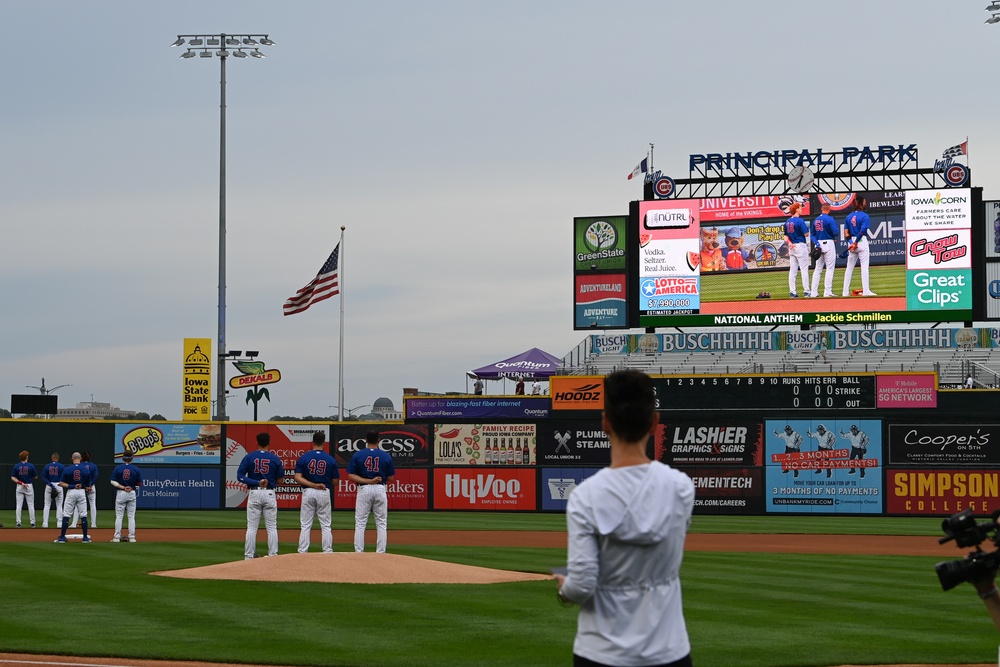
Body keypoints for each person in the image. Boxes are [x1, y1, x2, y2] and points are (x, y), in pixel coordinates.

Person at [553, 369, 694, 667]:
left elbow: (581, 586)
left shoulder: (585, 496)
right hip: (668, 650)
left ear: (605, 422)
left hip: (601, 651)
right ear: (654, 423)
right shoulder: (681, 487)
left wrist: (563, 589)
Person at [237, 432, 283, 560]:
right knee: (272, 527)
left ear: (257, 442)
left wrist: (256, 482)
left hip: (254, 492)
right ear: (269, 442)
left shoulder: (249, 457)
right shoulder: (275, 459)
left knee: (251, 528)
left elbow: (240, 477)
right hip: (269, 493)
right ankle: (273, 555)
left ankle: (249, 556)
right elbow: (280, 480)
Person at [348, 430, 396, 553]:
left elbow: (351, 476)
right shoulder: (385, 456)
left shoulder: (358, 455)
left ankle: (359, 552)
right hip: (380, 488)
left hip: (364, 488)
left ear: (366, 440)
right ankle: (380, 553)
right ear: (379, 440)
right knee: (381, 523)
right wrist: (376, 480)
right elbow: (390, 478)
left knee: (360, 523)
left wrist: (368, 481)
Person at [293, 431, 340, 554]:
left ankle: (302, 551)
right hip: (324, 491)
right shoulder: (330, 459)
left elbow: (297, 477)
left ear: (312, 442)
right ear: (324, 443)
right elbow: (335, 481)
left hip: (308, 491)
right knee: (325, 525)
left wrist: (313, 484)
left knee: (305, 525)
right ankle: (327, 551)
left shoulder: (304, 457)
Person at [842, 195, 876, 296]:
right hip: (860, 241)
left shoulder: (848, 217)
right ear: (861, 203)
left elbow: (846, 232)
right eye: (864, 202)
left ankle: (845, 292)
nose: (865, 203)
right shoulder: (865, 216)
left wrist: (851, 243)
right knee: (864, 267)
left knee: (849, 268)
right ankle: (866, 291)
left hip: (852, 243)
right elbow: (862, 230)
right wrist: (856, 242)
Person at [55, 452, 93, 543]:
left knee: (67, 514)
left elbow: (61, 483)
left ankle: (62, 537)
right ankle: (85, 538)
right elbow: (88, 485)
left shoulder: (67, 469)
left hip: (71, 491)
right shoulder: (85, 469)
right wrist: (83, 486)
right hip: (81, 492)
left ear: (72, 459)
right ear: (80, 459)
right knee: (83, 514)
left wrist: (72, 485)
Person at [110, 451, 142, 543]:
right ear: (132, 458)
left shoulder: (118, 468)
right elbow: (139, 483)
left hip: (121, 492)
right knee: (131, 516)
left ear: (123, 458)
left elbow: (112, 481)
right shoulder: (135, 469)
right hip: (131, 492)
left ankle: (116, 537)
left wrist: (123, 487)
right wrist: (130, 486)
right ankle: (132, 537)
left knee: (119, 516)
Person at [809, 202, 840, 298]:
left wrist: (817, 244)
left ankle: (813, 293)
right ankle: (827, 292)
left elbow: (812, 235)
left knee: (818, 269)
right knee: (830, 268)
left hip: (818, 244)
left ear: (822, 209)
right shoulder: (830, 219)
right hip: (828, 243)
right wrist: (831, 235)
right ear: (828, 209)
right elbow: (836, 232)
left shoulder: (816, 220)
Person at [784, 202, 811, 298]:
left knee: (793, 271)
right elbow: (806, 234)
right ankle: (807, 292)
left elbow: (785, 237)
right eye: (800, 208)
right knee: (804, 269)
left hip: (792, 247)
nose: (801, 209)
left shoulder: (787, 221)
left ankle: (793, 292)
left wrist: (790, 243)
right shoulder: (800, 221)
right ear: (796, 210)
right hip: (800, 246)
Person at [69, 450, 98, 529]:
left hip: (81, 487)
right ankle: (93, 524)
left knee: (77, 505)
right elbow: (95, 476)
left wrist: (85, 486)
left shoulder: (80, 465)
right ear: (90, 458)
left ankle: (74, 524)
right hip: (91, 487)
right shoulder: (93, 466)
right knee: (92, 505)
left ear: (81, 458)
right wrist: (90, 485)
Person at [11, 450, 38, 528]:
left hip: (20, 485)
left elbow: (12, 477)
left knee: (19, 505)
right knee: (31, 505)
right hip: (28, 485)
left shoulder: (16, 466)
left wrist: (20, 482)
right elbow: (35, 476)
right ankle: (33, 523)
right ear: (26, 457)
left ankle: (18, 523)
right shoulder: (31, 466)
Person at [41, 452, 65, 529]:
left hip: (49, 484)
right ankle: (59, 524)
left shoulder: (47, 466)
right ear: (58, 458)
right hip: (59, 484)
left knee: (47, 505)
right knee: (59, 505)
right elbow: (65, 476)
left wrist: (50, 484)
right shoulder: (62, 466)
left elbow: (43, 477)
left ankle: (45, 524)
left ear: (52, 458)